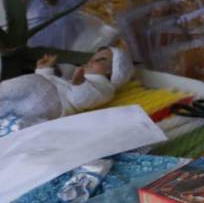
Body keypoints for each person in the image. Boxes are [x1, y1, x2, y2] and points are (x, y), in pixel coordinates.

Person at [0, 46, 134, 136]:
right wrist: (44, 69)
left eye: (101, 60)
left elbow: (84, 100)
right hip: (43, 101)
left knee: (26, 83)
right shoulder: (85, 79)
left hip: (55, 103)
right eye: (92, 58)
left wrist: (80, 84)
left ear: (112, 69)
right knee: (11, 106)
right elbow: (53, 83)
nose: (91, 60)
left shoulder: (105, 87)